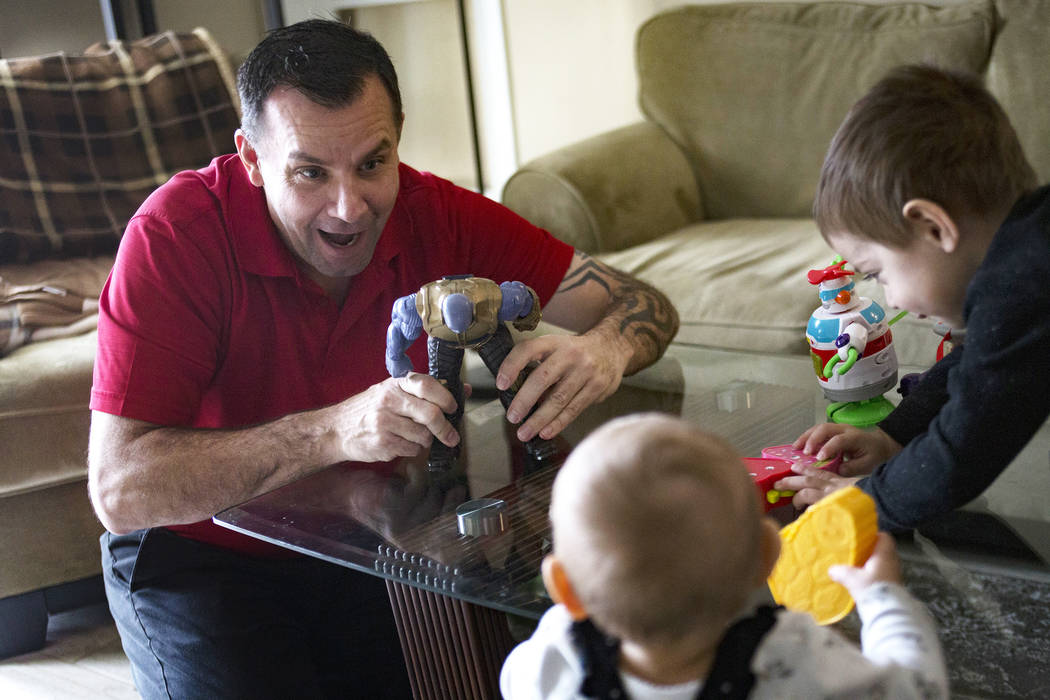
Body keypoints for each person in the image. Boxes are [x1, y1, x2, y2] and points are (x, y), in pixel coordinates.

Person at [86, 19, 678, 700]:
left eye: (373, 163)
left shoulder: (438, 211)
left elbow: (641, 302)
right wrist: (333, 430)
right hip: (200, 556)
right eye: (310, 173)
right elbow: (120, 491)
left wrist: (603, 349)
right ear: (251, 159)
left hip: (369, 541)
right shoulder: (174, 238)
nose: (349, 208)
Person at [500, 413, 948, 699]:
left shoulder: (550, 659)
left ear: (565, 589)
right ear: (769, 555)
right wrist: (884, 600)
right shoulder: (793, 656)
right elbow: (917, 690)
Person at [775, 63, 1047, 532]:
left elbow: (964, 452)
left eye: (878, 272)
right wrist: (892, 436)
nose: (890, 298)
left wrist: (865, 500)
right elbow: (975, 365)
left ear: (933, 227)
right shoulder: (1026, 256)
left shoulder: (1026, 282)